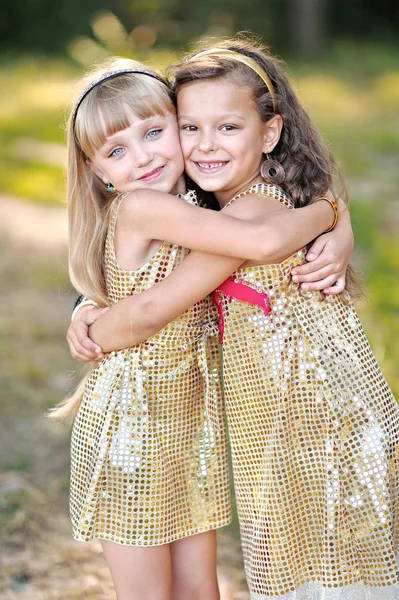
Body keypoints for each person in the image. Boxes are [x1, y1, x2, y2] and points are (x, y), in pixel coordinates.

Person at [71, 40, 399, 599]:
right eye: (117, 150)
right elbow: (261, 240)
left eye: (155, 133)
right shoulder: (146, 205)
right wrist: (331, 210)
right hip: (132, 426)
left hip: (194, 423)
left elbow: (258, 220)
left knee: (203, 587)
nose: (146, 157)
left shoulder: (202, 201)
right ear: (97, 171)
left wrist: (332, 220)